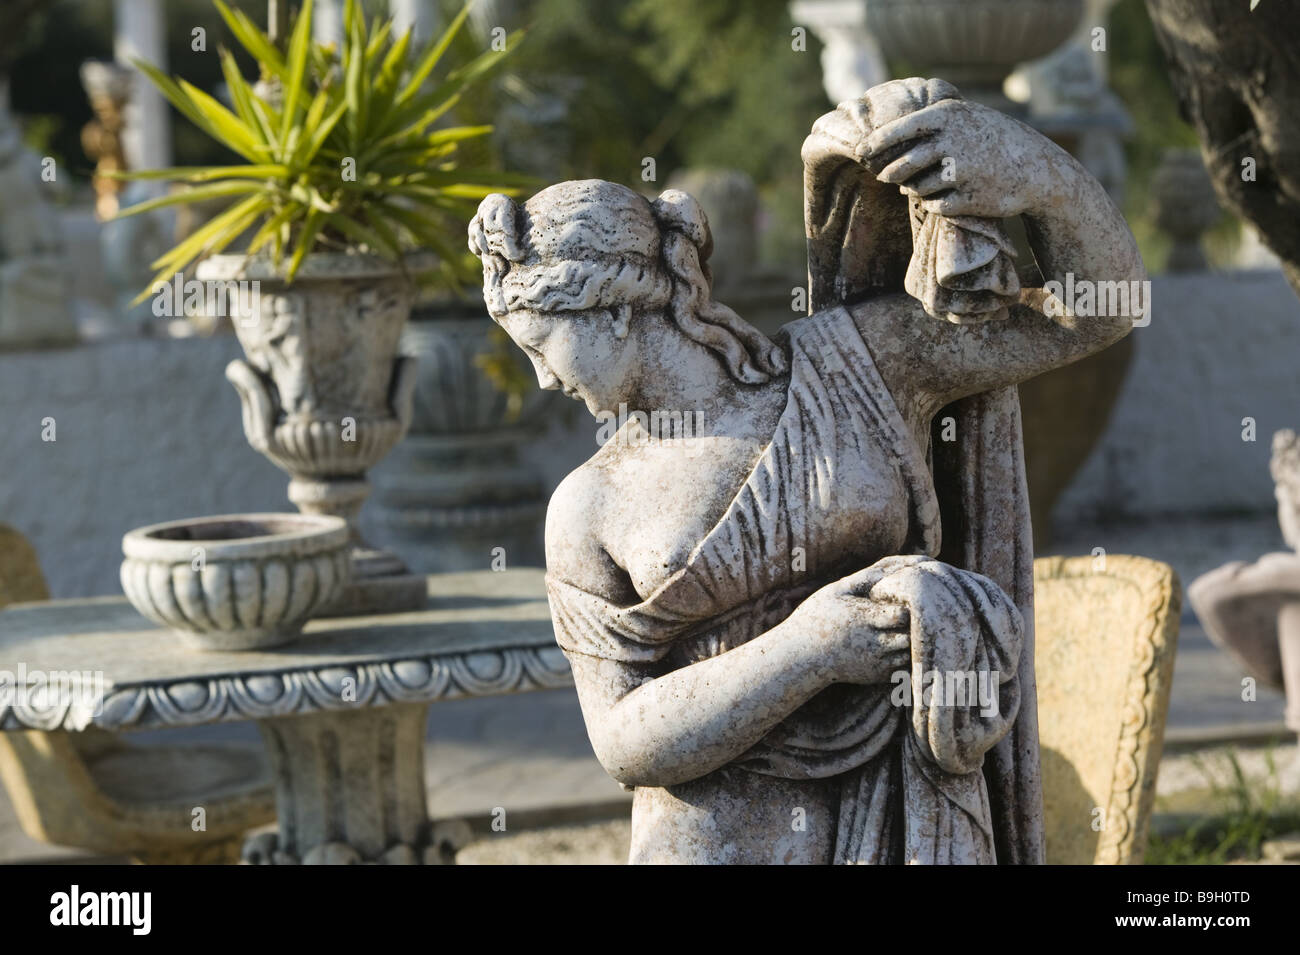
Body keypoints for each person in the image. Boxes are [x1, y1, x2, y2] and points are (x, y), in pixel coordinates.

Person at [468, 78, 1143, 863]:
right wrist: (813, 648)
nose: (545, 380)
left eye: (539, 345)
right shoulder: (589, 505)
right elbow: (623, 738)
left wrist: (1036, 173)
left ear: (612, 307)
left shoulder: (860, 362)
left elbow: (1103, 309)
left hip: (910, 807)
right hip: (719, 842)